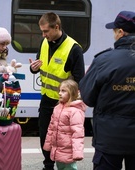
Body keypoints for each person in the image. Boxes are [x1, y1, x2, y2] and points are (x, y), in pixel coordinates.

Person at [79, 11, 135, 170]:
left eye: (114, 31)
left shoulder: (104, 60)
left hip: (109, 138)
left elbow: (88, 97)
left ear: (121, 32)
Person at [29, 12, 85, 170]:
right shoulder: (44, 42)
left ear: (57, 27)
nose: (43, 34)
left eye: (46, 31)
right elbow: (40, 65)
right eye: (42, 31)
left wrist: (71, 102)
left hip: (64, 103)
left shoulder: (74, 49)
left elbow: (79, 79)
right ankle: (48, 166)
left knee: (62, 139)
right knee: (45, 135)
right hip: (46, 99)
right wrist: (33, 69)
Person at [43, 79, 86, 170]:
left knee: (69, 168)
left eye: (63, 91)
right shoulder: (57, 108)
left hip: (68, 150)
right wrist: (48, 145)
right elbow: (51, 129)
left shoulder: (75, 111)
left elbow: (77, 134)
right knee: (61, 167)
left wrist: (77, 153)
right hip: (58, 149)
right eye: (59, 90)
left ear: (72, 93)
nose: (59, 93)